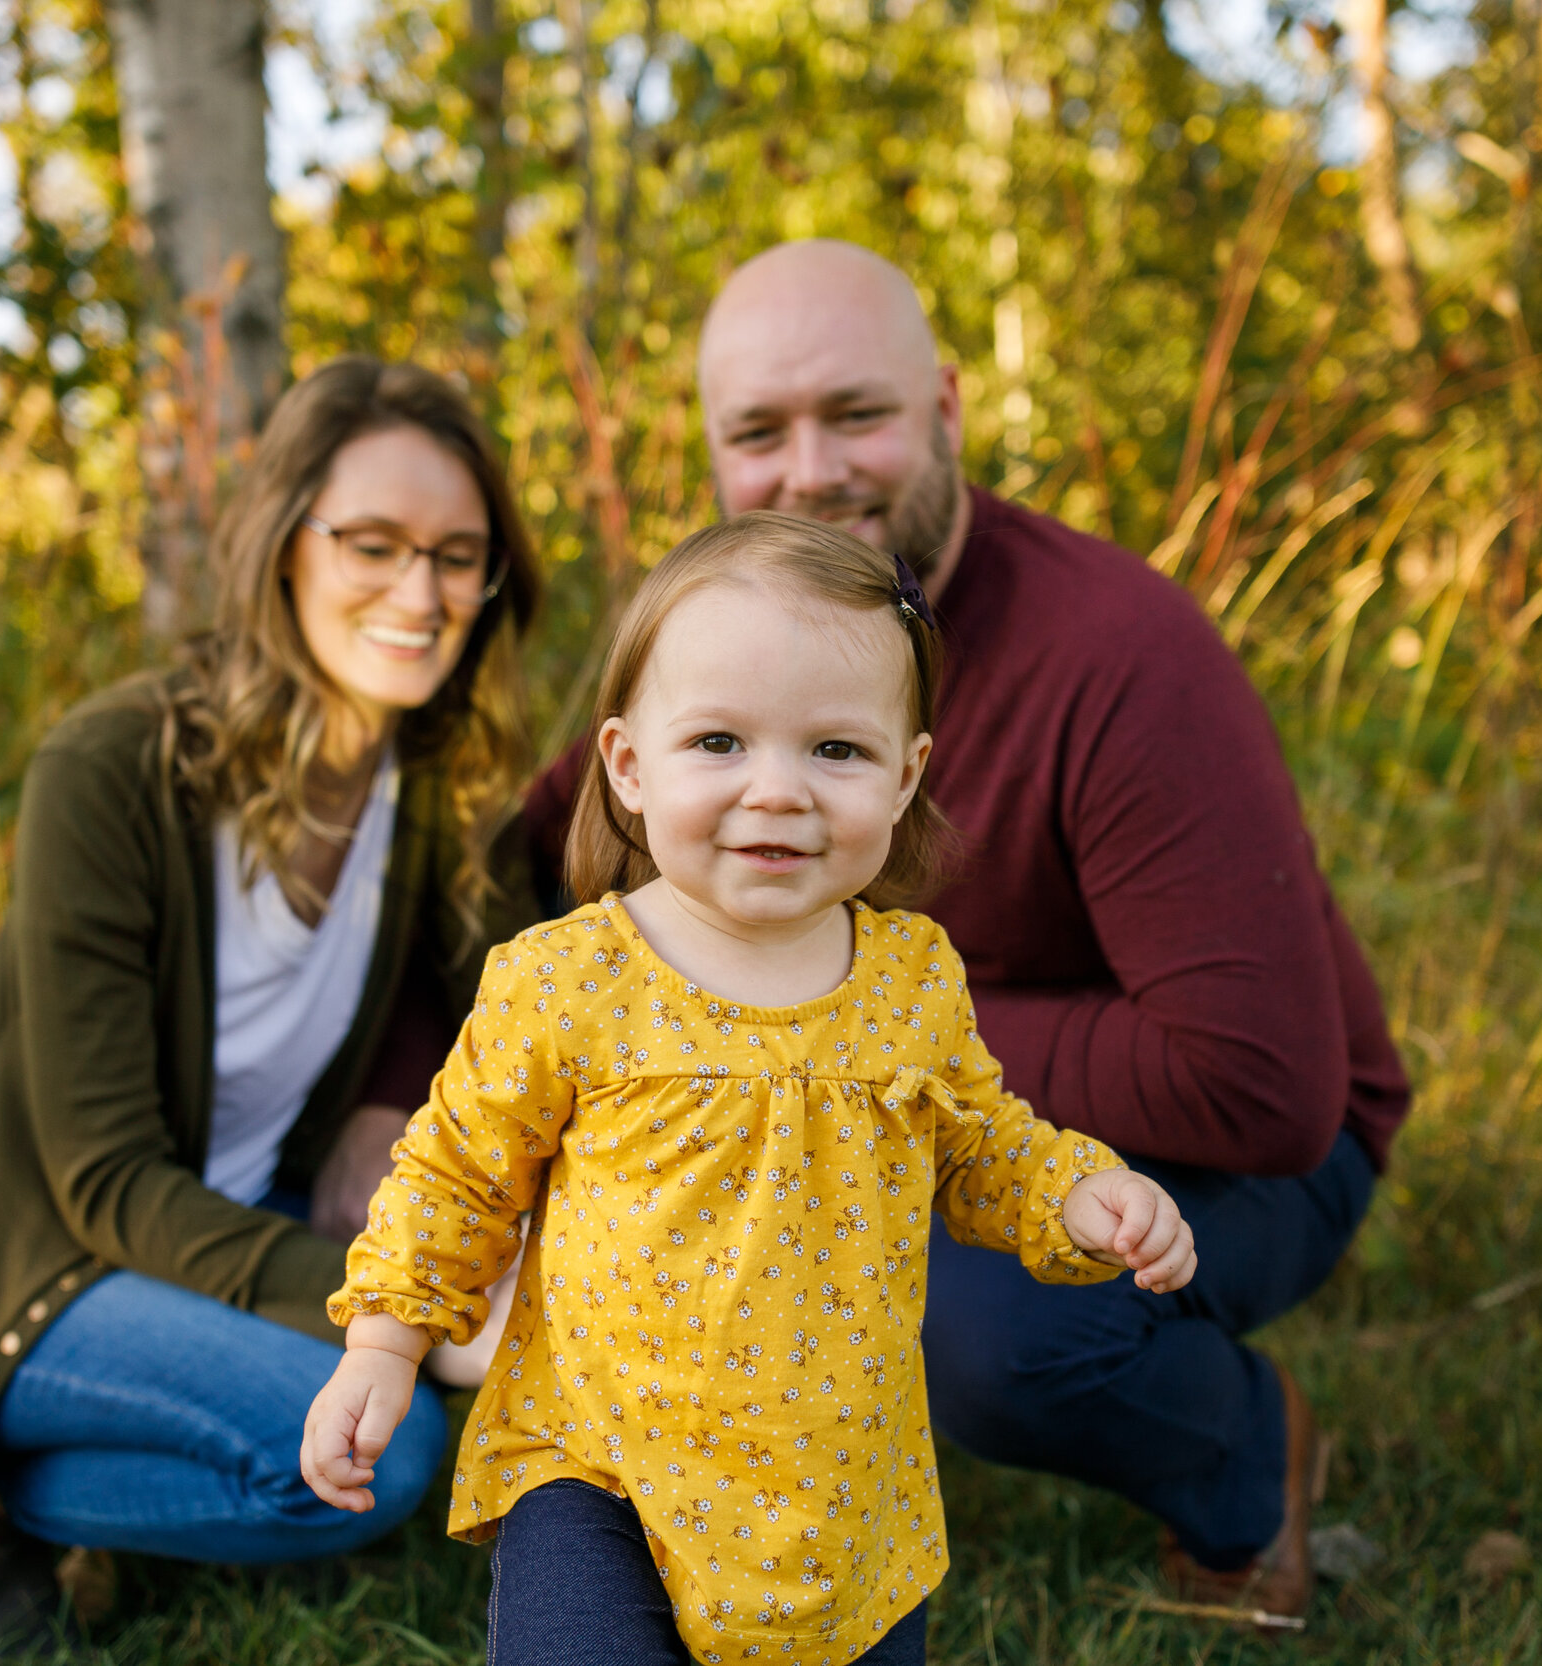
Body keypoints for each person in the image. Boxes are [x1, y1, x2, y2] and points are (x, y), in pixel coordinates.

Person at [525, 241, 1412, 1623]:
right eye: (760, 432)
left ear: (944, 404)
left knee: (975, 1325)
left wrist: (856, 1023)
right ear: (714, 455)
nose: (810, 469)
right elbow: (536, 853)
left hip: (1257, 1146)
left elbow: (1261, 1084)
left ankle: (1246, 1460)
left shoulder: (1118, 655)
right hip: (947, 1093)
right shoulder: (730, 634)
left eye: (856, 414)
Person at [300, 513, 1201, 1666]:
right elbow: (456, 1172)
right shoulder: (568, 980)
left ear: (906, 773)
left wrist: (1078, 1194)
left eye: (835, 750)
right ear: (629, 765)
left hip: (840, 1485)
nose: (776, 791)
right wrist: (383, 1342)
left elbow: (977, 1147)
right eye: (719, 742)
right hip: (601, 1458)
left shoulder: (909, 981)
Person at [0, 357, 543, 1655]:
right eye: (373, 544)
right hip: (7, 1249)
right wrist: (401, 1306)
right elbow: (103, 1174)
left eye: (457, 556)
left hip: (214, 1217)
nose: (419, 593)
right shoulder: (113, 764)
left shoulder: (429, 795)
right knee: (395, 1443)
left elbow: (527, 1016)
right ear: (282, 547)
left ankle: (44, 1466)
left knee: (367, 1426)